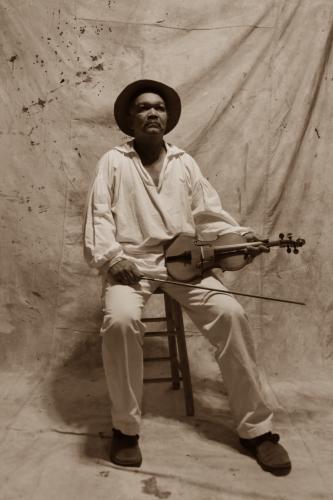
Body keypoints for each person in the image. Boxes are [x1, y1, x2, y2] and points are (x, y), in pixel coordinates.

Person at [83, 79, 291, 475]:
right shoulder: (112, 161)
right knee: (121, 321)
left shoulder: (184, 162)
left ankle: (256, 431)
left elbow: (210, 214)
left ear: (168, 117)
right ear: (130, 117)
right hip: (131, 266)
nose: (152, 113)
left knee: (230, 313)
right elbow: (99, 216)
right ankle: (125, 429)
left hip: (184, 265)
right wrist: (112, 259)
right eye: (143, 107)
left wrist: (241, 240)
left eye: (159, 107)